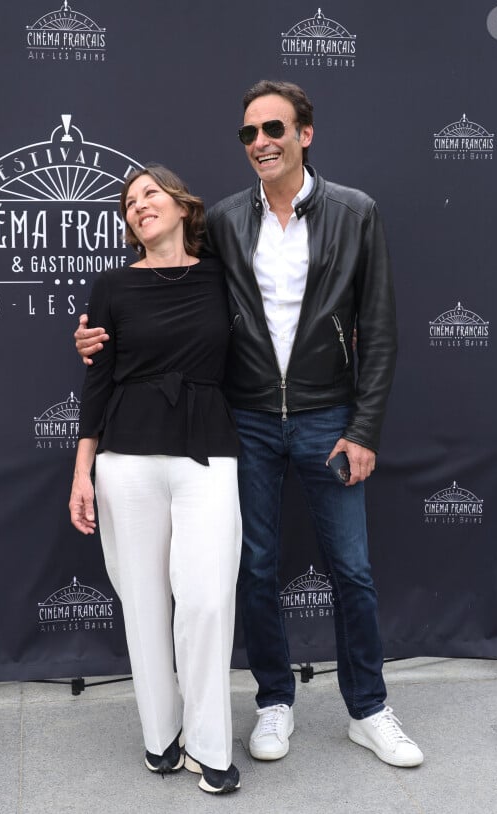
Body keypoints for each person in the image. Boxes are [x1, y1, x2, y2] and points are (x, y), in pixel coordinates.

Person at [75, 81, 424, 769]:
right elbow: (161, 297)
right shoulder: (230, 222)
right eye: (249, 134)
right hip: (249, 418)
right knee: (257, 568)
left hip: (329, 416)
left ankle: (369, 709)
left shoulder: (356, 213)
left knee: (351, 569)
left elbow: (378, 331)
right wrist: (98, 338)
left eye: (273, 129)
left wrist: (366, 428)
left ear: (305, 134)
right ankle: (273, 702)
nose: (261, 142)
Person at [69, 165, 242, 794]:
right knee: (143, 604)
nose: (139, 205)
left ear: (181, 204)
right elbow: (96, 380)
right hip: (127, 457)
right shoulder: (111, 286)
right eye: (128, 201)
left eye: (151, 194)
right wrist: (82, 470)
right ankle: (160, 738)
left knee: (206, 599)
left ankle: (210, 744)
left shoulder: (223, 275)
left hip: (208, 452)